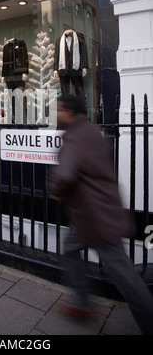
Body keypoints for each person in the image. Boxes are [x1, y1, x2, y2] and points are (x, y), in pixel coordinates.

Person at [47, 94, 153, 335]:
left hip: (95, 218)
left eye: (59, 110)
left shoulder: (74, 137)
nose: (56, 114)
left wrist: (56, 190)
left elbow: (65, 175)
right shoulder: (92, 130)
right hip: (90, 213)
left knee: (126, 276)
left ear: (69, 112)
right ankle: (82, 305)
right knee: (70, 251)